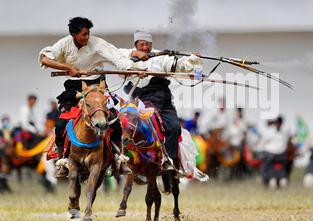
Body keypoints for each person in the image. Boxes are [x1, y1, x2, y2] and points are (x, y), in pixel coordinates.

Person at [38, 17, 146, 178]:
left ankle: (119, 159)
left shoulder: (97, 44)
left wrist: (136, 69)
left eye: (88, 34)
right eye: (83, 34)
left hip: (97, 88)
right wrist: (69, 68)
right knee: (60, 124)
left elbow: (117, 59)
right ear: (74, 34)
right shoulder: (64, 44)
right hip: (73, 88)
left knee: (114, 121)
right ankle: (62, 162)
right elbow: (45, 59)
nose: (87, 37)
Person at [121, 28, 203, 173]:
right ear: (135, 45)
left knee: (175, 127)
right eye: (142, 45)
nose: (145, 47)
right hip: (139, 101)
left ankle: (170, 160)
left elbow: (181, 66)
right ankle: (120, 160)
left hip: (163, 100)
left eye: (148, 44)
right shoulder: (126, 56)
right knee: (120, 126)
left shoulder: (161, 56)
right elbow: (114, 59)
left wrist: (192, 60)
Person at [260, 116, 290, 187]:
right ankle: (265, 179)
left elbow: (285, 143)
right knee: (266, 167)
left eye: (280, 123)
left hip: (281, 155)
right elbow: (263, 142)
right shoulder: (269, 132)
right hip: (270, 153)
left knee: (286, 166)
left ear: (282, 123)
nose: (278, 124)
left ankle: (283, 177)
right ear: (275, 123)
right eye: (277, 123)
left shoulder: (284, 133)